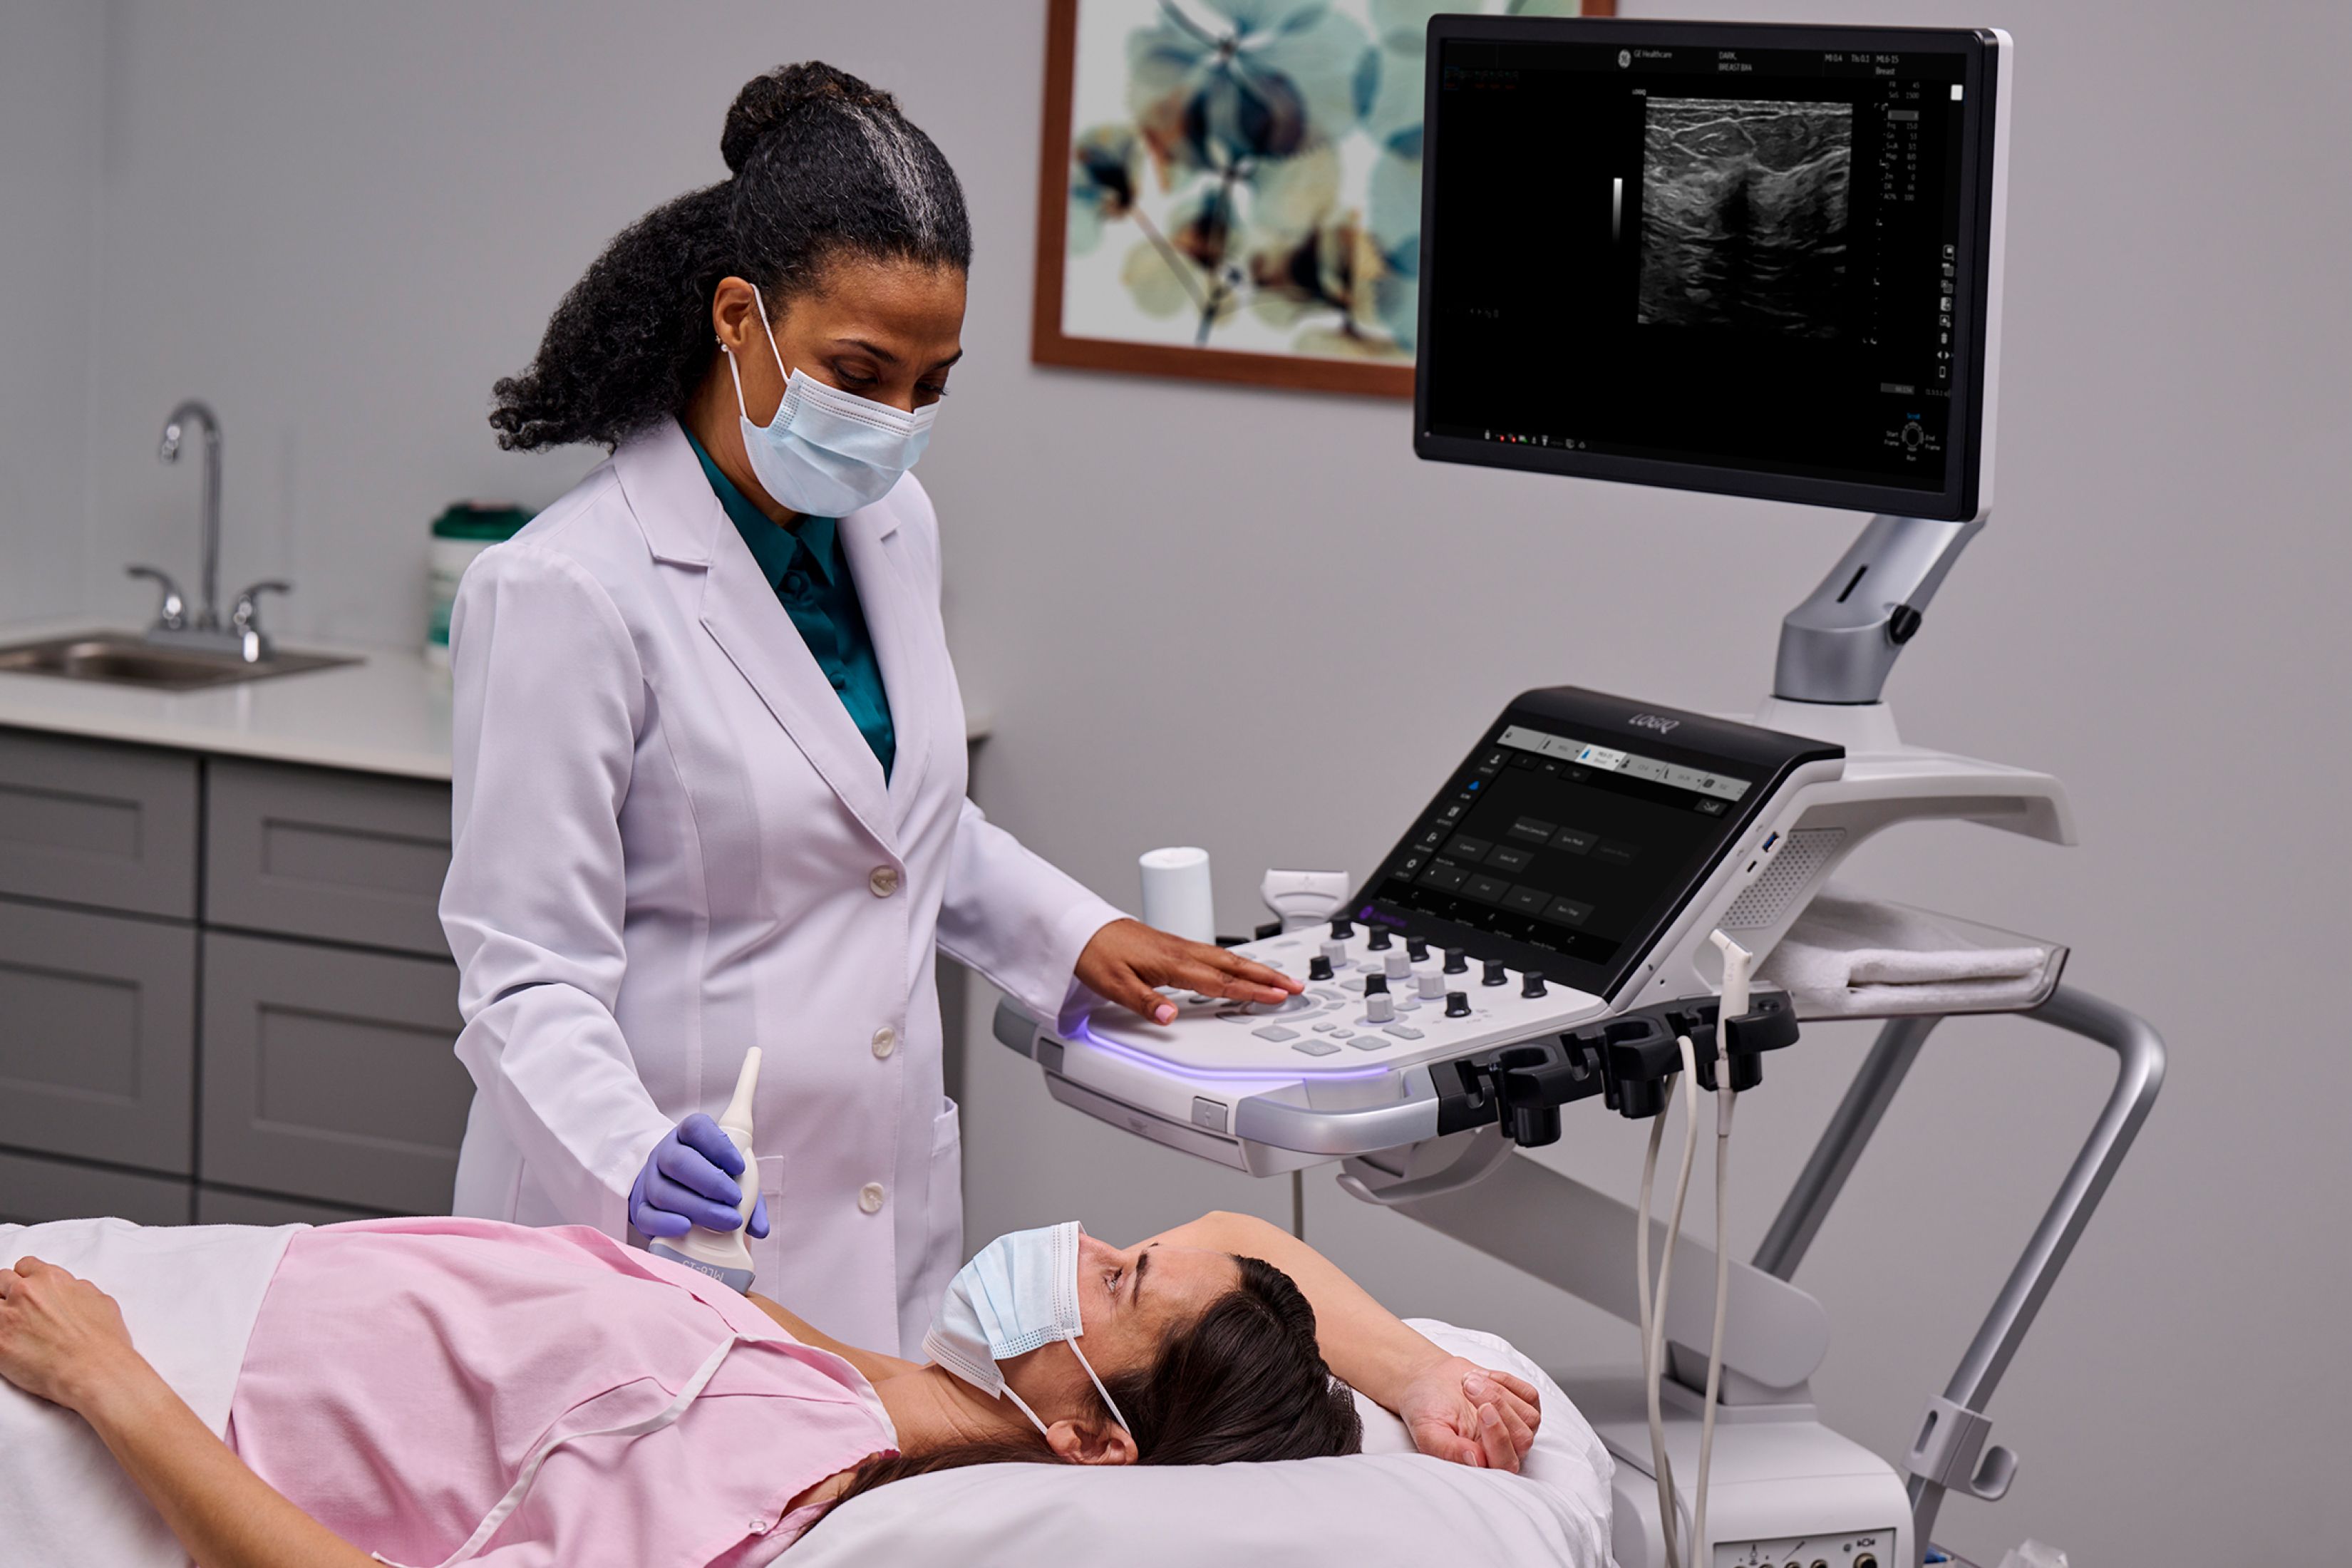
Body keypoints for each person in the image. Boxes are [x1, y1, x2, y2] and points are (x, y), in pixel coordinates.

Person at [446, 58, 1301, 1356]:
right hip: (656, 1232)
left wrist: (1075, 932)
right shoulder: (566, 590)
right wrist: (627, 1157)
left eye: (931, 385)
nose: (896, 423)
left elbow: (892, 823)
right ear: (738, 318)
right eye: (860, 371)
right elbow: (525, 972)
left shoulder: (893, 524)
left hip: (874, 1209)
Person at [0, 1210, 1543, 1567]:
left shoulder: (768, 1489)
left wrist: (111, 1382)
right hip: (179, 1281)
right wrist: (1419, 1374)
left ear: (1088, 1435)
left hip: (120, 1396)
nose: (1083, 1240)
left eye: (1117, 1278)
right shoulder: (862, 1395)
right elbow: (1232, 1238)